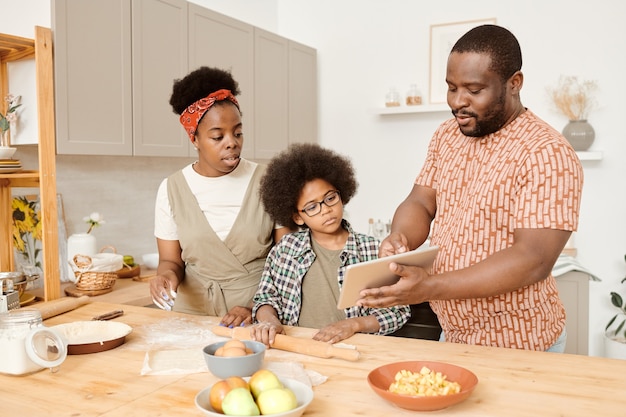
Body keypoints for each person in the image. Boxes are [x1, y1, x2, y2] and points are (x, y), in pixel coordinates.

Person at [357, 25, 583, 352]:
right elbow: (421, 202)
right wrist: (400, 238)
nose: (458, 102)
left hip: (522, 344)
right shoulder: (447, 135)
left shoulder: (547, 153)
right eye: (452, 88)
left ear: (514, 83)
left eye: (474, 90)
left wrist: (431, 286)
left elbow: (532, 259)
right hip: (455, 336)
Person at [150, 66, 292, 327]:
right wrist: (165, 277)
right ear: (195, 139)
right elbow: (170, 260)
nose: (232, 142)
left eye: (238, 133)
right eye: (218, 136)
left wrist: (256, 307)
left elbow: (288, 264)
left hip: (258, 315)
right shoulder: (171, 189)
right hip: (190, 314)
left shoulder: (269, 181)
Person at [250, 143, 410, 345]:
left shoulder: (372, 249)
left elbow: (397, 312)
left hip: (353, 349)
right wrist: (269, 321)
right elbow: (265, 298)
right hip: (296, 347)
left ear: (341, 194)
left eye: (330, 198)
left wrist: (353, 325)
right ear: (297, 217)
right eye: (312, 207)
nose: (326, 210)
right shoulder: (285, 249)